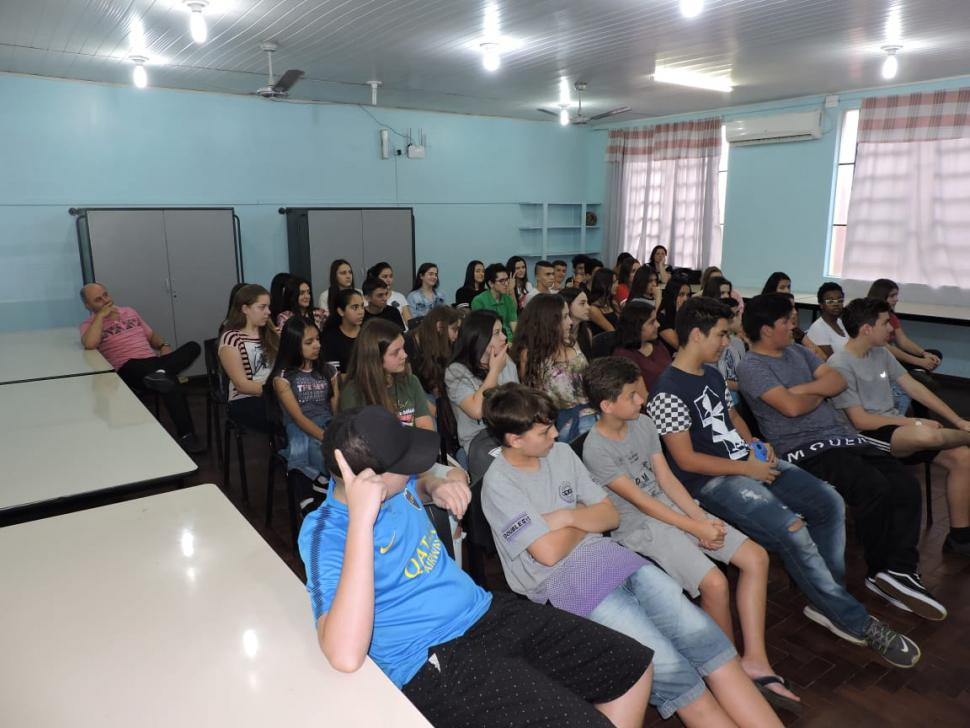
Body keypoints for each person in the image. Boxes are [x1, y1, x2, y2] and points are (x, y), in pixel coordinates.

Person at [298, 405, 654, 728]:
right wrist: (362, 521)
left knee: (632, 667)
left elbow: (418, 482)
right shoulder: (326, 531)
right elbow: (344, 655)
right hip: (431, 659)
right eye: (403, 465)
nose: (412, 467)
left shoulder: (397, 483)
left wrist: (435, 485)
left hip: (483, 612)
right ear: (370, 480)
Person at [481, 383, 783, 727]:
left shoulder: (561, 453)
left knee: (714, 649)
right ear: (514, 439)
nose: (555, 433)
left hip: (620, 562)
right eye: (543, 430)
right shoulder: (499, 484)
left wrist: (565, 518)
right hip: (573, 588)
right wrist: (586, 520)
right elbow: (548, 554)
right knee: (678, 675)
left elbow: (610, 516)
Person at [647, 296, 921, 668]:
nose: (727, 343)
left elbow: (730, 417)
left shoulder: (709, 373)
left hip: (745, 463)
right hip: (710, 482)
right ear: (696, 335)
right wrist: (747, 469)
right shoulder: (667, 391)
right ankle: (854, 619)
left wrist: (754, 445)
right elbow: (685, 460)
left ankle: (828, 600)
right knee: (792, 528)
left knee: (829, 503)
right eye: (721, 335)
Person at [583, 358, 801, 712]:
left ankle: (754, 660)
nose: (643, 400)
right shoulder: (596, 448)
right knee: (715, 584)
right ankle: (726, 671)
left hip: (674, 508)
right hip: (640, 527)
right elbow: (642, 503)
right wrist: (695, 527)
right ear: (607, 406)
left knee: (755, 557)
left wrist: (701, 519)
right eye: (633, 395)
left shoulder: (642, 423)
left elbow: (665, 481)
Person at [735, 294, 945, 622]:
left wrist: (803, 391)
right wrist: (816, 391)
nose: (795, 326)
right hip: (803, 449)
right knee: (873, 486)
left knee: (904, 484)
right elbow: (789, 409)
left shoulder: (797, 351)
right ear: (766, 329)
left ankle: (900, 571)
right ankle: (880, 569)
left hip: (842, 438)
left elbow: (837, 380)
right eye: (788, 321)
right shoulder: (751, 366)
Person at [829, 297, 970, 556]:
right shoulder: (839, 365)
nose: (892, 329)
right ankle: (963, 436)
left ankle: (960, 538)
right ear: (866, 329)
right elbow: (860, 420)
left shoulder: (880, 353)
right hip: (865, 437)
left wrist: (958, 419)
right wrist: (913, 420)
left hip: (895, 428)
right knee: (924, 434)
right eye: (886, 323)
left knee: (963, 458)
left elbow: (913, 387)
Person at [79, 282, 203, 453]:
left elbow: (151, 336)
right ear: (88, 305)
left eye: (106, 295)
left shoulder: (129, 312)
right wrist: (100, 316)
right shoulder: (89, 325)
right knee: (170, 382)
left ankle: (161, 373)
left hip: (153, 362)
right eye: (98, 299)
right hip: (128, 366)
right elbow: (90, 344)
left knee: (193, 346)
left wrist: (164, 345)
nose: (105, 300)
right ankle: (187, 436)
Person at [264, 317, 338, 507]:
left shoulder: (329, 371)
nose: (317, 345)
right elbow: (297, 417)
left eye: (317, 340)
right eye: (309, 342)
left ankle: (322, 481)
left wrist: (335, 433)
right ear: (293, 345)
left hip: (327, 421)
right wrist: (324, 437)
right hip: (298, 424)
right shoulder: (283, 378)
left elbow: (335, 408)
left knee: (341, 445)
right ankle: (310, 492)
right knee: (306, 446)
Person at [513, 294, 596, 442]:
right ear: (548, 321)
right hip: (561, 423)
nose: (570, 322)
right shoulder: (530, 355)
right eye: (564, 317)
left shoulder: (570, 341)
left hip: (592, 412)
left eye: (568, 316)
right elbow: (535, 400)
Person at [445, 310, 519, 453]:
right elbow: (478, 410)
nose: (504, 337)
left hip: (511, 430)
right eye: (497, 333)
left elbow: (518, 402)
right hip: (480, 440)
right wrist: (494, 371)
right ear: (479, 338)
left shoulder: (505, 361)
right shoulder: (456, 371)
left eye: (502, 331)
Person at [339, 318, 432, 430]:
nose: (404, 355)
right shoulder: (353, 393)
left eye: (403, 348)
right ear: (375, 358)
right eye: (395, 352)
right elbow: (355, 440)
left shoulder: (411, 382)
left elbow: (426, 427)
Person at [868, 278, 943, 414]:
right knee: (919, 377)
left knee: (934, 354)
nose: (896, 299)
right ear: (881, 296)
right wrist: (920, 361)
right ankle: (914, 375)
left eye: (897, 295)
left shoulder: (891, 315)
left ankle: (915, 374)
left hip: (891, 357)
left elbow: (902, 341)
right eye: (892, 296)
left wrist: (924, 354)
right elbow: (887, 348)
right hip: (879, 358)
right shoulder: (871, 316)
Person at [218, 283, 279, 432]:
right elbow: (242, 385)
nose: (268, 312)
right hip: (245, 399)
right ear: (245, 309)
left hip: (274, 393)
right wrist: (280, 391)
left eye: (269, 307)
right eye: (262, 307)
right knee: (288, 415)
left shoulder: (271, 334)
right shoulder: (232, 338)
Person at [613, 300, 671, 395]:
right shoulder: (624, 356)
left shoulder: (657, 345)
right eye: (652, 322)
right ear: (636, 326)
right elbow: (643, 398)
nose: (658, 325)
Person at [404, 305, 462, 400]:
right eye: (454, 329)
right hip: (417, 394)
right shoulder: (408, 342)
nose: (457, 334)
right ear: (439, 326)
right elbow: (409, 383)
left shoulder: (445, 342)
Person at [320, 288, 365, 373]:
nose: (361, 311)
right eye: (355, 307)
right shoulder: (330, 338)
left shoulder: (368, 332)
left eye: (362, 306)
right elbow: (334, 375)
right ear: (341, 311)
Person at [470, 263, 517, 340]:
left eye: (507, 280)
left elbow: (514, 326)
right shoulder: (478, 301)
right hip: (491, 341)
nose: (506, 284)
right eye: (501, 281)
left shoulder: (508, 300)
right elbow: (483, 331)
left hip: (510, 340)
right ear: (491, 283)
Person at [804, 282, 848, 358]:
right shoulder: (818, 329)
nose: (836, 304)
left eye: (840, 300)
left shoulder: (840, 322)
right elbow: (832, 361)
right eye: (830, 301)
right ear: (821, 305)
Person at [716, 298, 745, 404]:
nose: (739, 318)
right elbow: (714, 379)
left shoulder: (738, 342)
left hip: (739, 399)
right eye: (735, 314)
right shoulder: (714, 344)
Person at [366, 262, 412, 327]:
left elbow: (409, 322)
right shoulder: (368, 299)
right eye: (384, 277)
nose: (388, 280)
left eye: (391, 276)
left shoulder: (400, 296)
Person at [657, 275, 691, 353]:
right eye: (681, 294)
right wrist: (679, 315)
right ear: (672, 295)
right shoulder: (661, 318)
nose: (686, 299)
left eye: (688, 295)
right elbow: (679, 345)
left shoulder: (689, 313)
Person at [560, 286, 594, 361]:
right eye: (582, 303)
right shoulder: (559, 335)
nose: (588, 307)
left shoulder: (587, 332)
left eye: (587, 303)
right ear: (567, 305)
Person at [587, 268, 620, 336]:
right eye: (614, 282)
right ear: (604, 284)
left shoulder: (612, 303)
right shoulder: (593, 309)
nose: (617, 285)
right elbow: (611, 330)